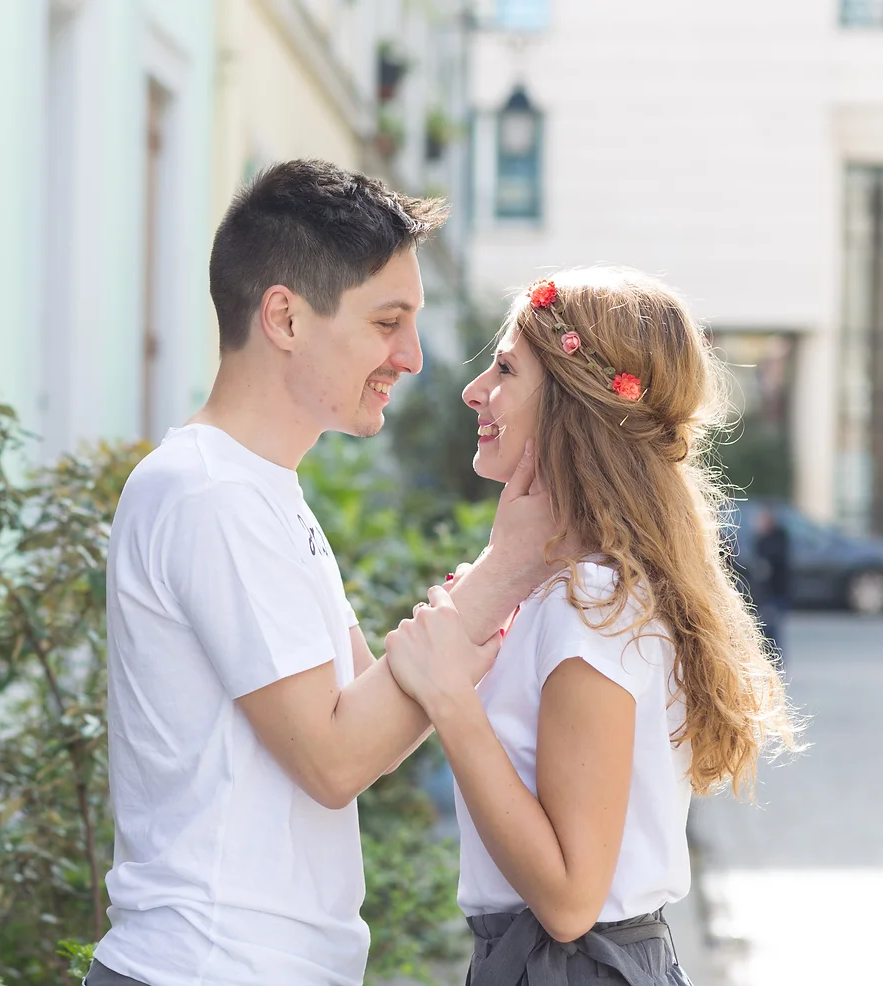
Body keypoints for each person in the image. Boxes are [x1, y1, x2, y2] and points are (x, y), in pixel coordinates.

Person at [87, 161, 558, 986]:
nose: (410, 358)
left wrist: (492, 593)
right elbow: (336, 759)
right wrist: (506, 566)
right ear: (285, 317)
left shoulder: (263, 490)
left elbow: (367, 723)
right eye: (387, 322)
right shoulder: (210, 492)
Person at [383, 268, 798, 985]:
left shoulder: (591, 604)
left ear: (572, 406)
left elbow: (573, 899)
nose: (473, 390)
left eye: (506, 369)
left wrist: (450, 701)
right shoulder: (571, 592)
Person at [751, 507, 792, 666]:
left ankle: (776, 660)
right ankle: (769, 659)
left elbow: (776, 561)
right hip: (764, 594)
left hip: (776, 591)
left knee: (773, 627)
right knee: (766, 628)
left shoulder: (779, 538)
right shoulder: (760, 540)